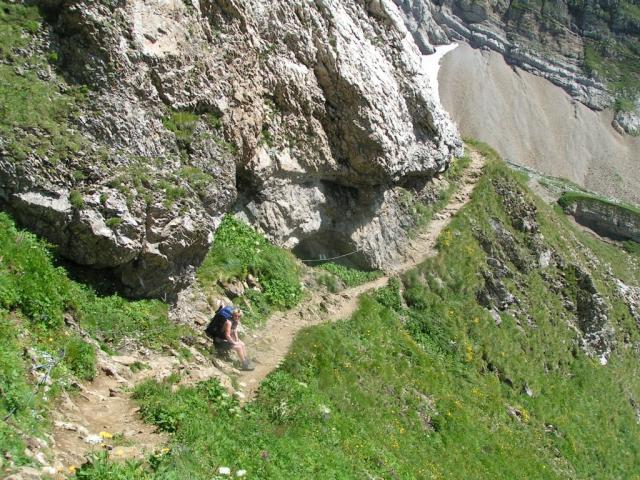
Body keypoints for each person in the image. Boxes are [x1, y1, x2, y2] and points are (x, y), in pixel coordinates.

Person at [206, 305, 254, 371]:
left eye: (239, 316)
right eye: (235, 315)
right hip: (219, 340)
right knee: (238, 347)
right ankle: (244, 365)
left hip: (224, 338)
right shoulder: (228, 322)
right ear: (232, 315)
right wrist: (234, 343)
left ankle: (246, 360)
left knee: (242, 344)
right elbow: (227, 335)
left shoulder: (236, 321)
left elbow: (234, 330)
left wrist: (237, 339)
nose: (237, 317)